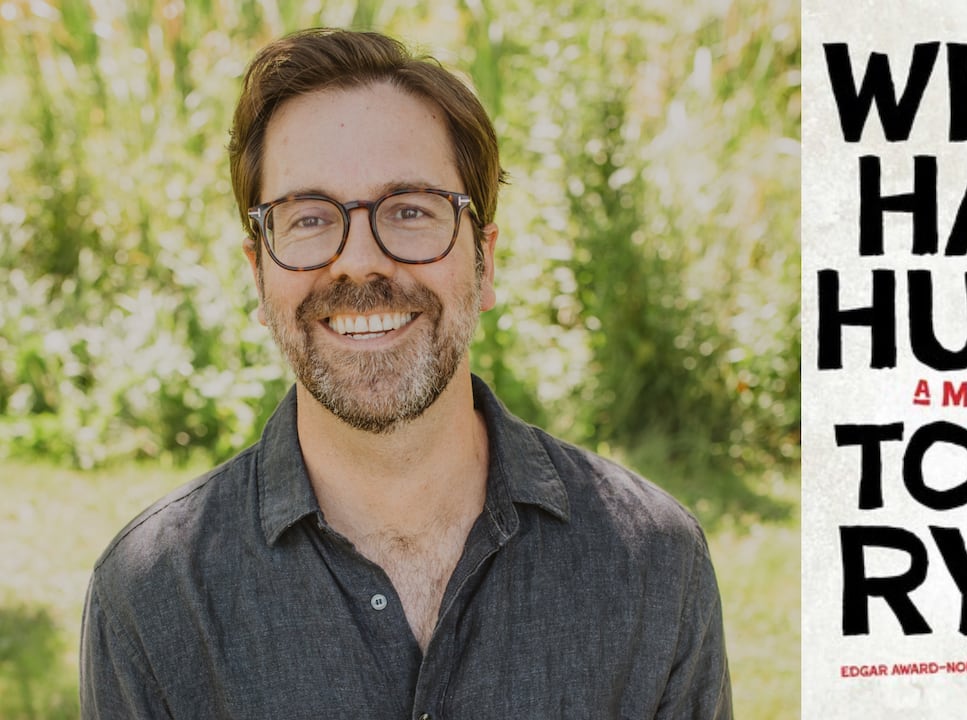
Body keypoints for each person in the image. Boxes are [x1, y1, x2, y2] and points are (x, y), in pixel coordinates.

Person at [80, 28, 731, 719]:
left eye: (411, 211)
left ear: (485, 263)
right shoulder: (152, 597)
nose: (359, 261)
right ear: (258, 274)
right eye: (308, 218)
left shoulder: (654, 565)